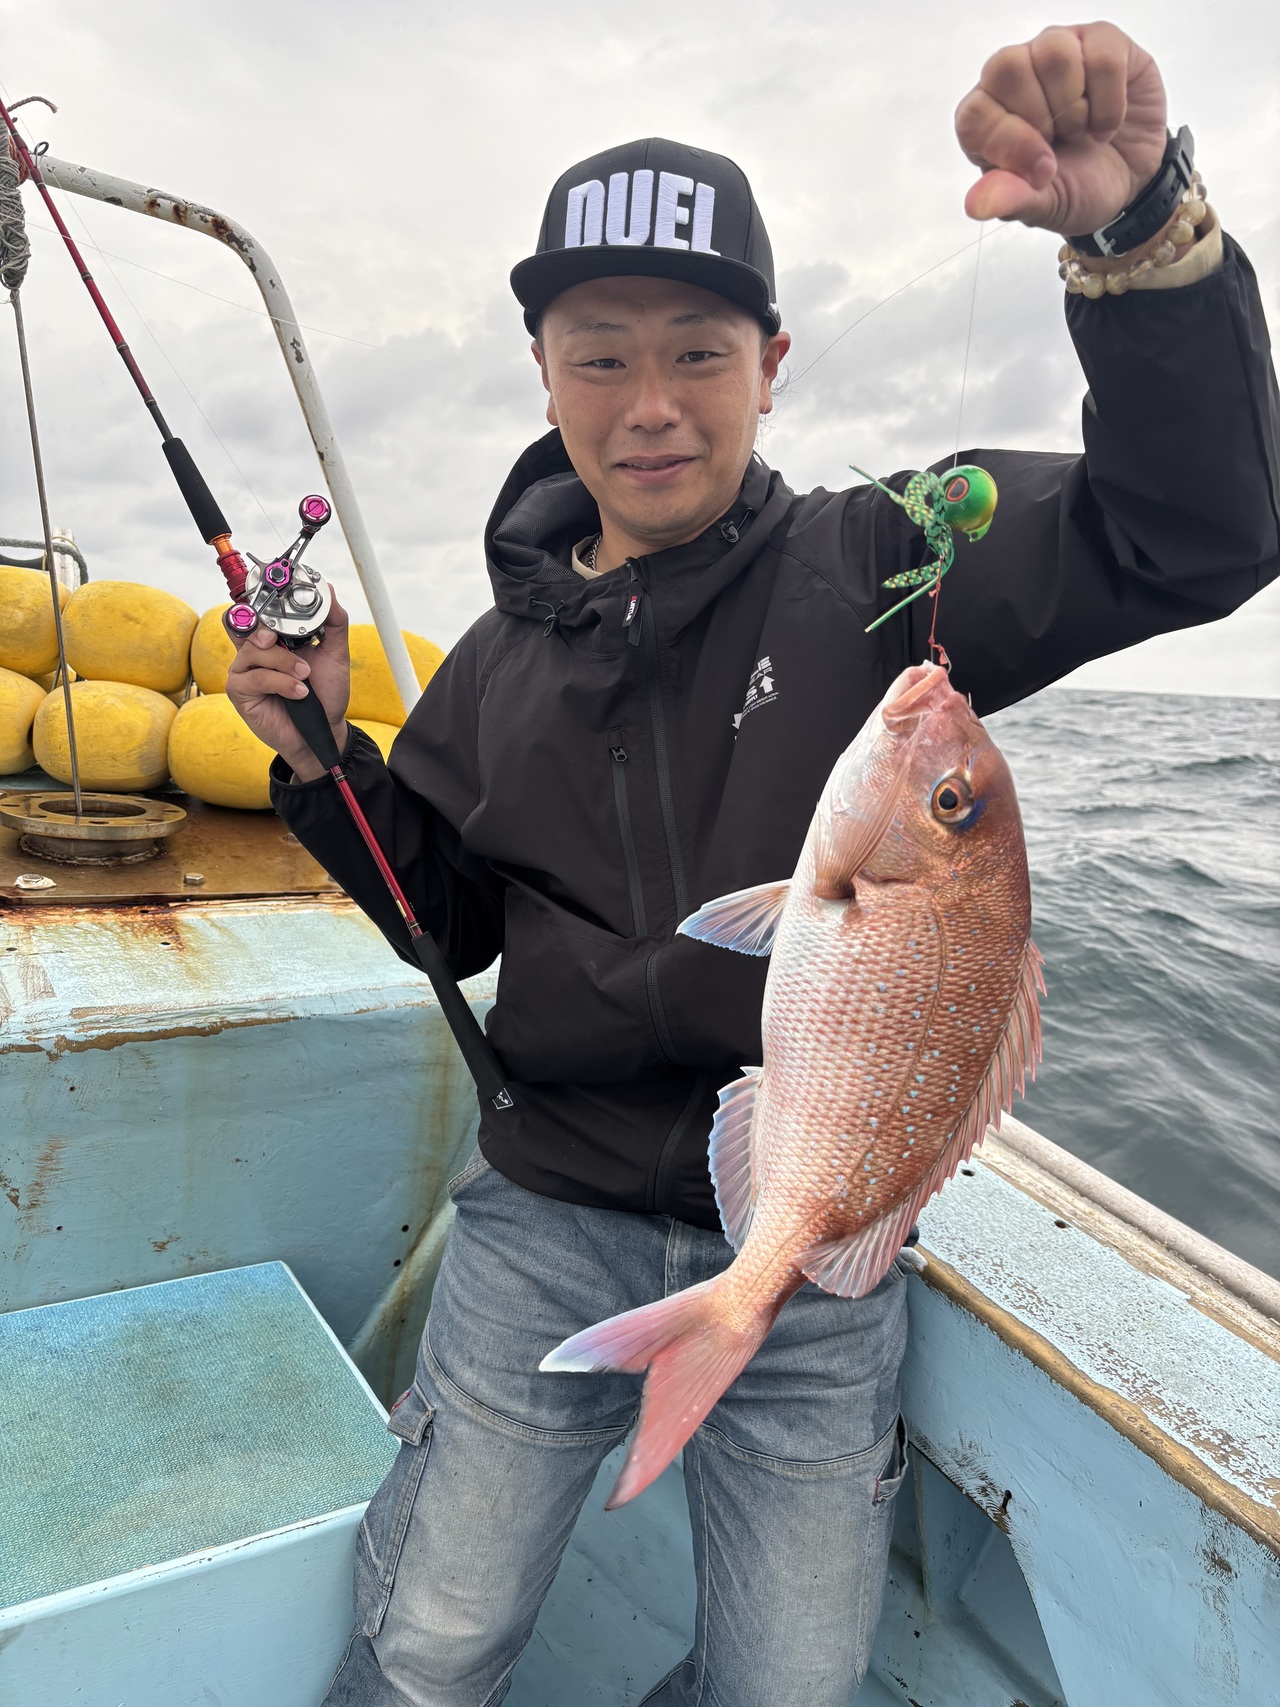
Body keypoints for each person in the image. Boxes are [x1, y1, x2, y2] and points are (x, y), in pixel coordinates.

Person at [228, 22, 1278, 1707]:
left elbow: (1194, 533)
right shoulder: (492, 667)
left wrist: (1140, 240)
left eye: (699, 353)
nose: (650, 406)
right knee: (433, 1638)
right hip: (546, 1216)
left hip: (816, 1253)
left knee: (788, 1689)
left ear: (772, 363)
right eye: (599, 357)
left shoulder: (881, 564)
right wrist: (320, 759)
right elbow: (447, 920)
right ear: (544, 376)